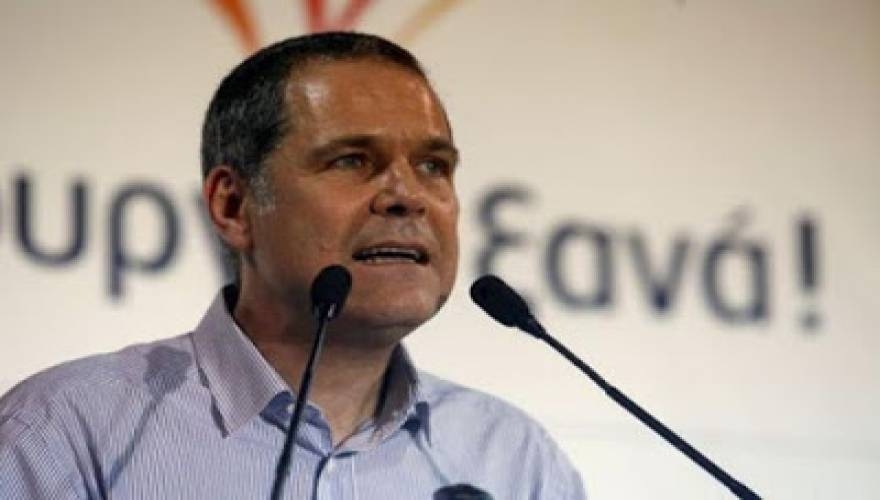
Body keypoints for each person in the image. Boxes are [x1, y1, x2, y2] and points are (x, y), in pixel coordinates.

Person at [0, 32, 586, 499]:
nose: (407, 196)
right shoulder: (69, 431)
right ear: (234, 206)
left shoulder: (513, 461)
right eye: (353, 160)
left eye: (434, 166)